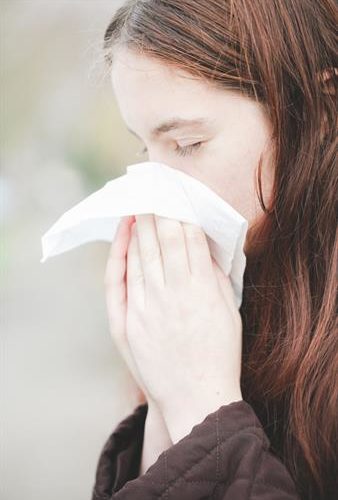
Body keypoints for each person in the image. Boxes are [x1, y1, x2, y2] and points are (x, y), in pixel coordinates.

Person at [91, 1, 337, 499]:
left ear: (320, 108)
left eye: (187, 143)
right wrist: (162, 399)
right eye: (145, 149)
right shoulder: (225, 294)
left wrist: (204, 412)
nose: (157, 188)